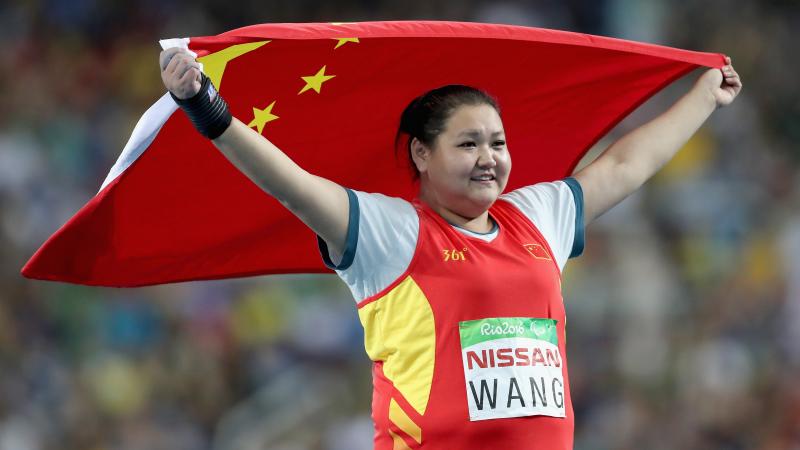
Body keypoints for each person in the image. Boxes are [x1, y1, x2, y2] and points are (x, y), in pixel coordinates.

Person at [159, 47, 741, 449]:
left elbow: (625, 163)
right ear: (421, 155)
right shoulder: (391, 234)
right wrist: (207, 108)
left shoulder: (537, 217)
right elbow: (290, 183)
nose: (489, 157)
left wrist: (705, 97)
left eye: (498, 142)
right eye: (468, 143)